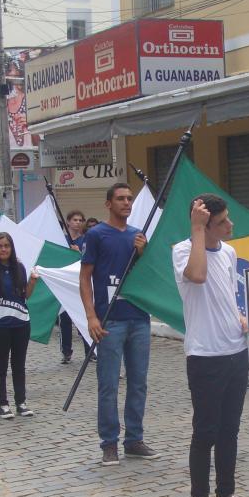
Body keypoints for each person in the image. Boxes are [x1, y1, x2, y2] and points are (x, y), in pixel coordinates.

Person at [174, 194, 249, 497]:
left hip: (235, 351)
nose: (230, 225)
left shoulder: (229, 252)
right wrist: (196, 230)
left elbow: (224, 294)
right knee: (205, 431)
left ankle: (226, 496)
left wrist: (239, 317)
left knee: (229, 429)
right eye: (222, 221)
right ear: (205, 225)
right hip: (204, 354)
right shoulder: (183, 250)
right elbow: (196, 276)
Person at [80, 183, 159, 466]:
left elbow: (149, 278)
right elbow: (85, 277)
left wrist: (143, 253)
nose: (126, 203)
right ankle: (109, 443)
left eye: (129, 199)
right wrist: (91, 316)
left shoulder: (139, 236)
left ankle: (134, 439)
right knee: (109, 384)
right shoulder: (96, 234)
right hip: (109, 321)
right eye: (121, 199)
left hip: (138, 318)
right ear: (108, 204)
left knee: (138, 383)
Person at [0, 233, 39, 419]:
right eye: (0, 246)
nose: (4, 249)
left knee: (19, 365)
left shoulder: (19, 268)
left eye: (7, 245)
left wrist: (33, 281)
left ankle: (21, 402)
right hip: (1, 325)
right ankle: (3, 404)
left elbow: (25, 295)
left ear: (12, 248)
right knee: (0, 366)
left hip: (21, 324)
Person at [60, 210, 89, 364]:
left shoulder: (86, 241)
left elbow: (89, 260)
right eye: (75, 220)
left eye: (80, 220)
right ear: (68, 222)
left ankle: (89, 351)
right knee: (64, 319)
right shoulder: (62, 240)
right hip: (65, 283)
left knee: (84, 318)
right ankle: (66, 351)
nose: (78, 222)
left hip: (80, 283)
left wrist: (78, 253)